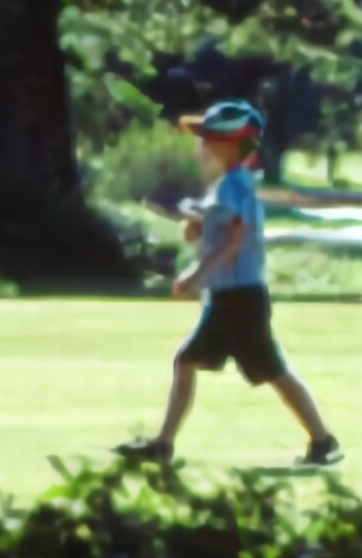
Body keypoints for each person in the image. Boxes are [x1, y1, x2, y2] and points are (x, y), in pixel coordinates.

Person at [117, 100, 342, 467]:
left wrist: (196, 274)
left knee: (271, 370)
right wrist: (195, 227)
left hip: (240, 297)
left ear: (234, 144)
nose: (202, 145)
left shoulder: (234, 183)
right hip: (230, 297)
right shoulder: (227, 185)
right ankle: (163, 443)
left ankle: (322, 440)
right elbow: (215, 229)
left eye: (211, 138)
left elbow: (236, 234)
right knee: (191, 360)